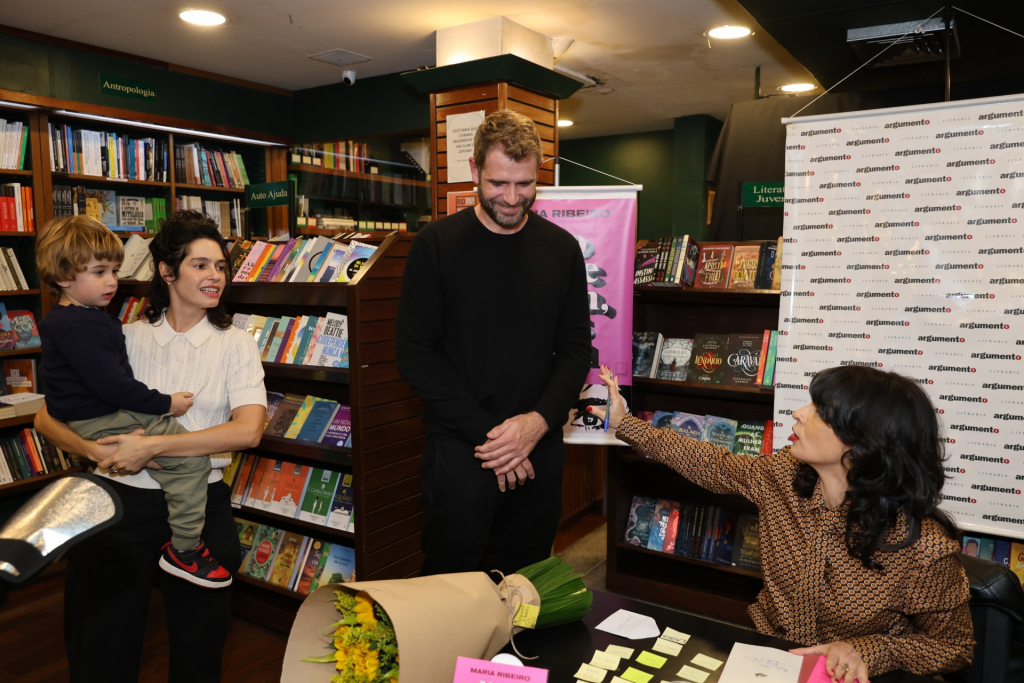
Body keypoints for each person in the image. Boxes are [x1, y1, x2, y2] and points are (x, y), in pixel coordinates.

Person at [593, 363, 974, 683]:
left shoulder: (923, 547)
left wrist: (866, 650)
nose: (799, 413)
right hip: (768, 659)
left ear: (863, 444)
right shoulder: (783, 477)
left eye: (820, 410)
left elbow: (955, 649)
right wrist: (626, 424)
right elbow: (713, 464)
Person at [34, 210, 267, 683]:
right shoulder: (122, 336)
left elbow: (248, 432)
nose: (214, 276)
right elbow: (44, 416)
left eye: (221, 266)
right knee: (100, 649)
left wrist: (151, 445)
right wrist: (95, 451)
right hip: (114, 508)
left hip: (202, 509)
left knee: (200, 652)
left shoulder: (237, 344)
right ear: (166, 271)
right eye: (200, 265)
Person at [396, 109, 591, 576]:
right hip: (461, 449)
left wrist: (535, 425)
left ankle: (518, 654)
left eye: (524, 184)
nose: (511, 197)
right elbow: (415, 355)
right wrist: (497, 441)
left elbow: (575, 351)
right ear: (474, 170)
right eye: (499, 183)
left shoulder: (562, 249)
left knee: (529, 585)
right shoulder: (435, 245)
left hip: (538, 447)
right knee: (450, 585)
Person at [36, 215, 230, 589]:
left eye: (113, 270)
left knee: (175, 458)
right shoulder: (81, 326)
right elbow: (116, 387)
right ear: (63, 277)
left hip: (99, 416)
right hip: (102, 418)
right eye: (98, 272)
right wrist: (167, 403)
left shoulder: (86, 320)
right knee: (191, 466)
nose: (111, 281)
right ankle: (186, 550)